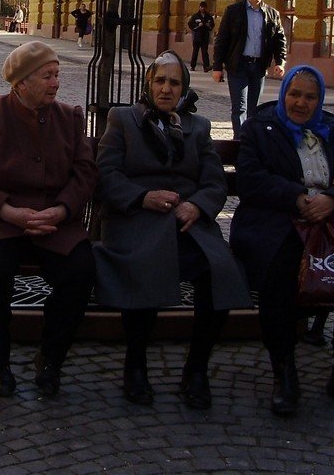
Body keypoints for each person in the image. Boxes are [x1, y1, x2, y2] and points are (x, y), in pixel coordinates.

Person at [94, 52, 251, 408]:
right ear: (148, 84)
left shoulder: (199, 127)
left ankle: (196, 369)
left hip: (186, 222)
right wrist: (142, 197)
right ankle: (135, 364)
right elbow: (107, 174)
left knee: (219, 271)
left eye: (174, 82)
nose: (166, 88)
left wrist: (197, 205)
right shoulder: (122, 119)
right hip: (136, 219)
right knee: (144, 264)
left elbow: (214, 182)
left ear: (184, 88)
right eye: (160, 81)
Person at [230, 66, 334, 416]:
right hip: (276, 221)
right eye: (294, 94)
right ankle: (285, 372)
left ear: (319, 99)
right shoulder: (260, 129)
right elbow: (251, 181)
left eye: (310, 97)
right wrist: (297, 197)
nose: (301, 102)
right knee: (280, 269)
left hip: (332, 222)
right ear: (283, 94)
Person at [0, 42, 97, 398]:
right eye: (47, 76)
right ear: (20, 83)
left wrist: (62, 210)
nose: (56, 83)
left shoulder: (69, 117)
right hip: (0, 221)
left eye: (57, 74)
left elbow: (85, 173)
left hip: (53, 221)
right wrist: (8, 212)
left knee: (80, 271)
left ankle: (50, 359)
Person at [211, 0, 287, 138]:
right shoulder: (233, 11)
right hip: (238, 65)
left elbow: (279, 39)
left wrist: (280, 61)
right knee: (239, 107)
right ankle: (239, 141)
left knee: (254, 108)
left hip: (258, 67)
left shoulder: (272, 14)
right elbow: (222, 39)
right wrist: (217, 67)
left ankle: (250, 140)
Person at [187, 1, 215, 72]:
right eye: (201, 7)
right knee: (195, 52)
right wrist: (197, 26)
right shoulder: (195, 16)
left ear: (205, 8)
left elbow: (212, 25)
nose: (202, 8)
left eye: (204, 7)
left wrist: (208, 26)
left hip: (205, 37)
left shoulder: (208, 16)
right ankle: (193, 66)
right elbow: (190, 24)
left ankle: (206, 66)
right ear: (199, 7)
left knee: (205, 52)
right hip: (197, 37)